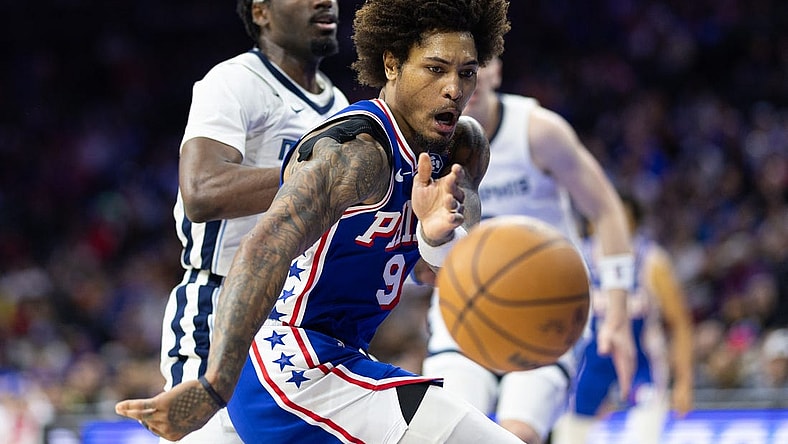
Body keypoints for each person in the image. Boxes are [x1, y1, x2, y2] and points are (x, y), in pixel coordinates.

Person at [117, 0, 522, 442]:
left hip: (340, 359)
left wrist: (434, 235)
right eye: (435, 69)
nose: (454, 89)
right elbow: (261, 250)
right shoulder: (357, 152)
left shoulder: (464, 149)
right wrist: (214, 386)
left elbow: (437, 273)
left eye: (466, 72)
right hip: (289, 365)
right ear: (391, 65)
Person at [158, 0, 349, 442]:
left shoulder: (337, 103)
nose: (327, 1)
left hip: (301, 321)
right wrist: (310, 175)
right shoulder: (233, 81)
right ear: (261, 12)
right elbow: (201, 191)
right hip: (222, 304)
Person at [421, 56, 637, 443]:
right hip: (464, 307)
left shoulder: (538, 131)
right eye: (446, 68)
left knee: (518, 434)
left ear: (496, 70)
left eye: (474, 65)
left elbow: (606, 210)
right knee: (449, 434)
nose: (463, 80)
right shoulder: (426, 144)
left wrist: (618, 312)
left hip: (547, 306)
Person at [552, 194, 694, 444]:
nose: (611, 226)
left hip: (643, 366)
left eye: (619, 219)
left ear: (634, 224)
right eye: (604, 218)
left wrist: (683, 380)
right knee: (568, 436)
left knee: (644, 436)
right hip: (591, 365)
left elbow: (680, 322)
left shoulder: (652, 261)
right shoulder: (578, 258)